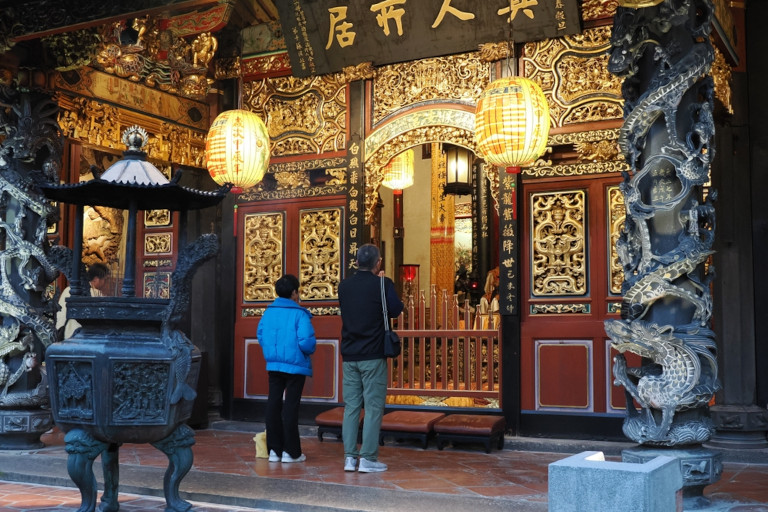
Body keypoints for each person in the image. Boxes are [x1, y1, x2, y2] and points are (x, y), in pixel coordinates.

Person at [338, 244, 403, 473]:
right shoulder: (382, 284)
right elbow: (396, 309)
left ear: (356, 262)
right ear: (379, 263)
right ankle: (367, 458)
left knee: (352, 406)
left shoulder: (343, 286)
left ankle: (349, 458)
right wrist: (385, 283)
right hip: (373, 354)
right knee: (374, 407)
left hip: (349, 354)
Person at [257, 274, 316, 463]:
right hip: (295, 365)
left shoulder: (268, 312)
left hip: (274, 364)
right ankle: (291, 452)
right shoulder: (300, 314)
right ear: (293, 293)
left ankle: (274, 450)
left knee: (273, 404)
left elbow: (261, 335)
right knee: (290, 406)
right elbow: (307, 343)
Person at [56, 263, 110, 339]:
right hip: (79, 337)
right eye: (105, 279)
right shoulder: (96, 293)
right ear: (96, 279)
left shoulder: (68, 289)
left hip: (61, 334)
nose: (105, 283)